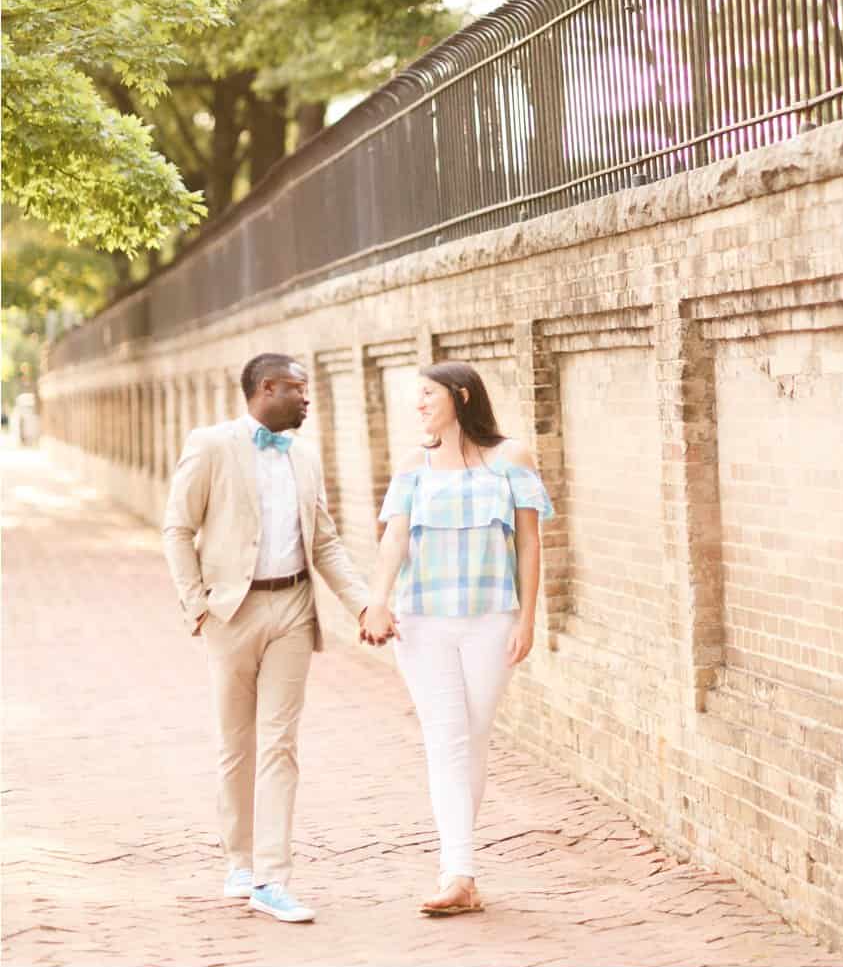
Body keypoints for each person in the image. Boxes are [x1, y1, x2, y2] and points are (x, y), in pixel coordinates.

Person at [162, 353, 396, 923]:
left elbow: (326, 544)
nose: (306, 398)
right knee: (235, 744)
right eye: (296, 388)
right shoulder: (212, 445)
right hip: (231, 613)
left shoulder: (306, 458)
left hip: (293, 607)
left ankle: (272, 877)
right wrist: (198, 606)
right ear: (265, 389)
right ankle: (238, 861)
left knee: (279, 744)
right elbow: (178, 528)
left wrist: (364, 603)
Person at [361, 361, 553, 916]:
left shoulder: (510, 458)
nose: (418, 404)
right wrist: (378, 600)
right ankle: (458, 872)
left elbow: (530, 545)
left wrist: (527, 618)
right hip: (421, 623)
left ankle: (460, 869)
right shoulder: (413, 465)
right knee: (446, 739)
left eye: (427, 394)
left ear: (460, 395)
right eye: (415, 396)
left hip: (492, 619)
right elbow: (395, 538)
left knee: (473, 736)